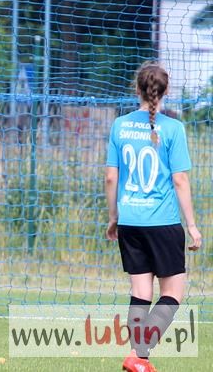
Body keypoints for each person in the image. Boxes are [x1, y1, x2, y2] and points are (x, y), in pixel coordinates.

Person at [104, 61, 202, 372]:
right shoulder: (173, 128)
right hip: (163, 223)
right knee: (172, 293)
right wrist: (192, 226)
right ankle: (139, 354)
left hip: (130, 222)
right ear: (165, 91)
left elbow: (110, 177)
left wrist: (114, 217)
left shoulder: (119, 126)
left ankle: (138, 358)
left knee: (141, 293)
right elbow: (180, 180)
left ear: (137, 89)